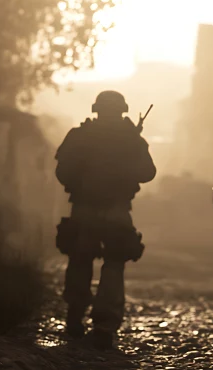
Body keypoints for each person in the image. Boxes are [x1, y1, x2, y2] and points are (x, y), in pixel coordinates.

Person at [54, 90, 156, 349]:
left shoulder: (79, 135)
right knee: (113, 265)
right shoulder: (130, 138)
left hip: (84, 208)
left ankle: (75, 317)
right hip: (116, 209)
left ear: (96, 110)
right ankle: (104, 326)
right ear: (122, 111)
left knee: (80, 259)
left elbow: (62, 171)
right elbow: (147, 173)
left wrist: (85, 181)